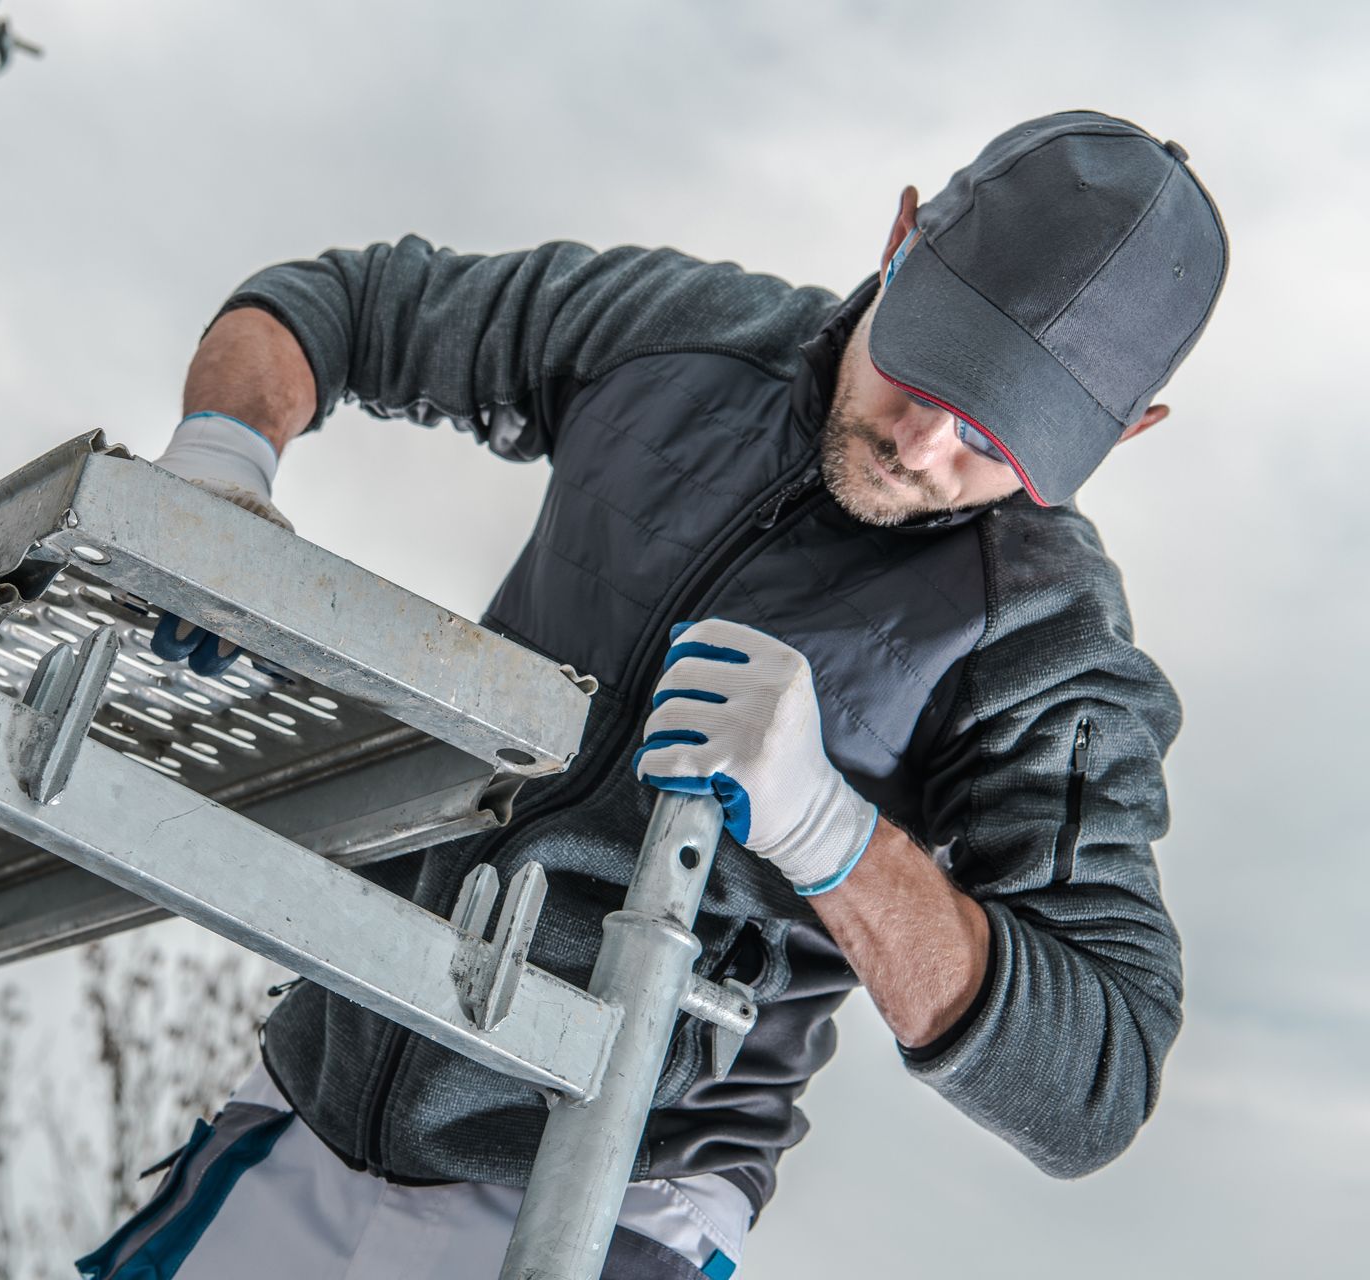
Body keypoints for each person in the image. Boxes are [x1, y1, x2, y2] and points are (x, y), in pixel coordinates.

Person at [77, 110, 1228, 1279]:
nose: (926, 443)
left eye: (998, 434)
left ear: (1125, 432)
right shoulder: (677, 336)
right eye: (929, 362)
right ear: (901, 235)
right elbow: (337, 306)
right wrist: (220, 459)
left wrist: (833, 835)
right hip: (309, 1102)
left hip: (611, 1201)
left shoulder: (1040, 635)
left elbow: (1097, 1077)